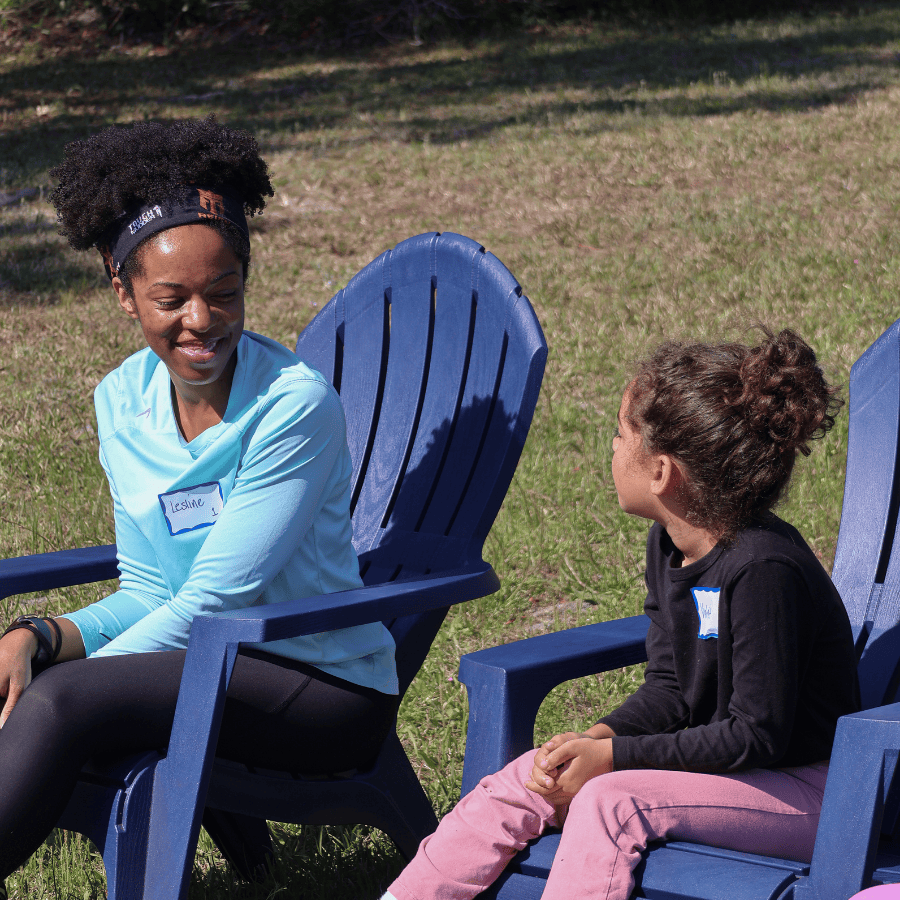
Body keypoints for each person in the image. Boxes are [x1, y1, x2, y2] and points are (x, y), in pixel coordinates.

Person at [0, 117, 399, 892]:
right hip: (196, 668)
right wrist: (40, 638)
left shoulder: (294, 407)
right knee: (35, 683)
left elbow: (217, 599)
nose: (201, 321)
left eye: (224, 293)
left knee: (59, 707)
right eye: (171, 298)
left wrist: (57, 688)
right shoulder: (121, 402)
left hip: (318, 687)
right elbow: (151, 590)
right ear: (123, 292)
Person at [382, 329, 861, 900]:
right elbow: (670, 689)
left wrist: (614, 760)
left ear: (661, 474)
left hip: (808, 793)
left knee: (612, 802)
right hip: (731, 774)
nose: (610, 447)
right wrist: (596, 739)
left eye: (619, 434)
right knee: (528, 775)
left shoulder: (763, 570)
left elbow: (758, 734)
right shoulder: (671, 544)